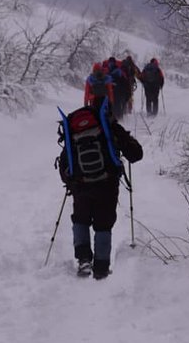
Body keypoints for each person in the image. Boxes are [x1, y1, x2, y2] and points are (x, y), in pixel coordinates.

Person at [58, 92, 144, 280]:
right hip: (107, 184)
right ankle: (101, 268)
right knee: (103, 224)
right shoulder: (109, 126)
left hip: (81, 185)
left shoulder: (74, 127)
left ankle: (83, 261)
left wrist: (71, 181)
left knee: (80, 220)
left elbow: (66, 162)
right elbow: (136, 154)